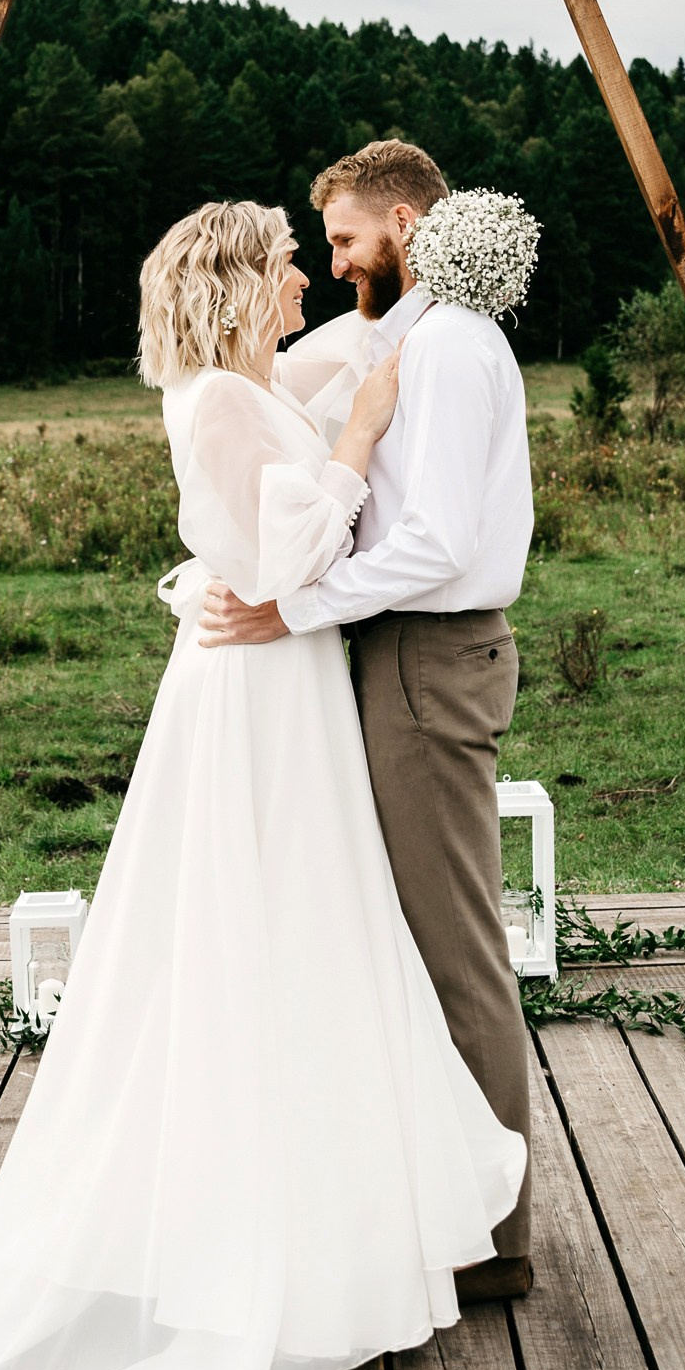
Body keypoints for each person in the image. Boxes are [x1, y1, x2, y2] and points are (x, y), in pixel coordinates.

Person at [0, 200, 524, 1370]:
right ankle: (261, 1244)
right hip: (258, 689)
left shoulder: (248, 380)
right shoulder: (221, 403)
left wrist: (432, 299)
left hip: (279, 681)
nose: (308, 278)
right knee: (265, 930)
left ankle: (320, 1224)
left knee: (308, 934)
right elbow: (284, 555)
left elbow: (344, 363)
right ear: (241, 283)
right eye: (289, 262)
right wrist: (359, 443)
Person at [200, 140, 536, 1298]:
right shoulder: (407, 338)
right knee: (409, 942)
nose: (336, 262)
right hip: (403, 656)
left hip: (428, 659)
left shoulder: (446, 347)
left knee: (452, 953)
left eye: (345, 240)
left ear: (402, 222)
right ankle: (439, 1209)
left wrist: (294, 608)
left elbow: (435, 542)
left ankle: (492, 1245)